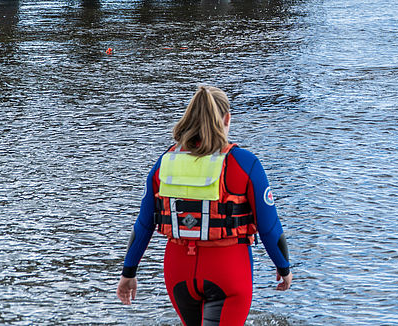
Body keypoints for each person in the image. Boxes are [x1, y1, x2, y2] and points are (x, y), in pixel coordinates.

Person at [116, 85, 292, 325]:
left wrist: (128, 273)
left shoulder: (165, 162)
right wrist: (284, 268)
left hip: (178, 272)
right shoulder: (245, 163)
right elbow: (269, 227)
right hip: (228, 269)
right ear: (227, 119)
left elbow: (144, 224)